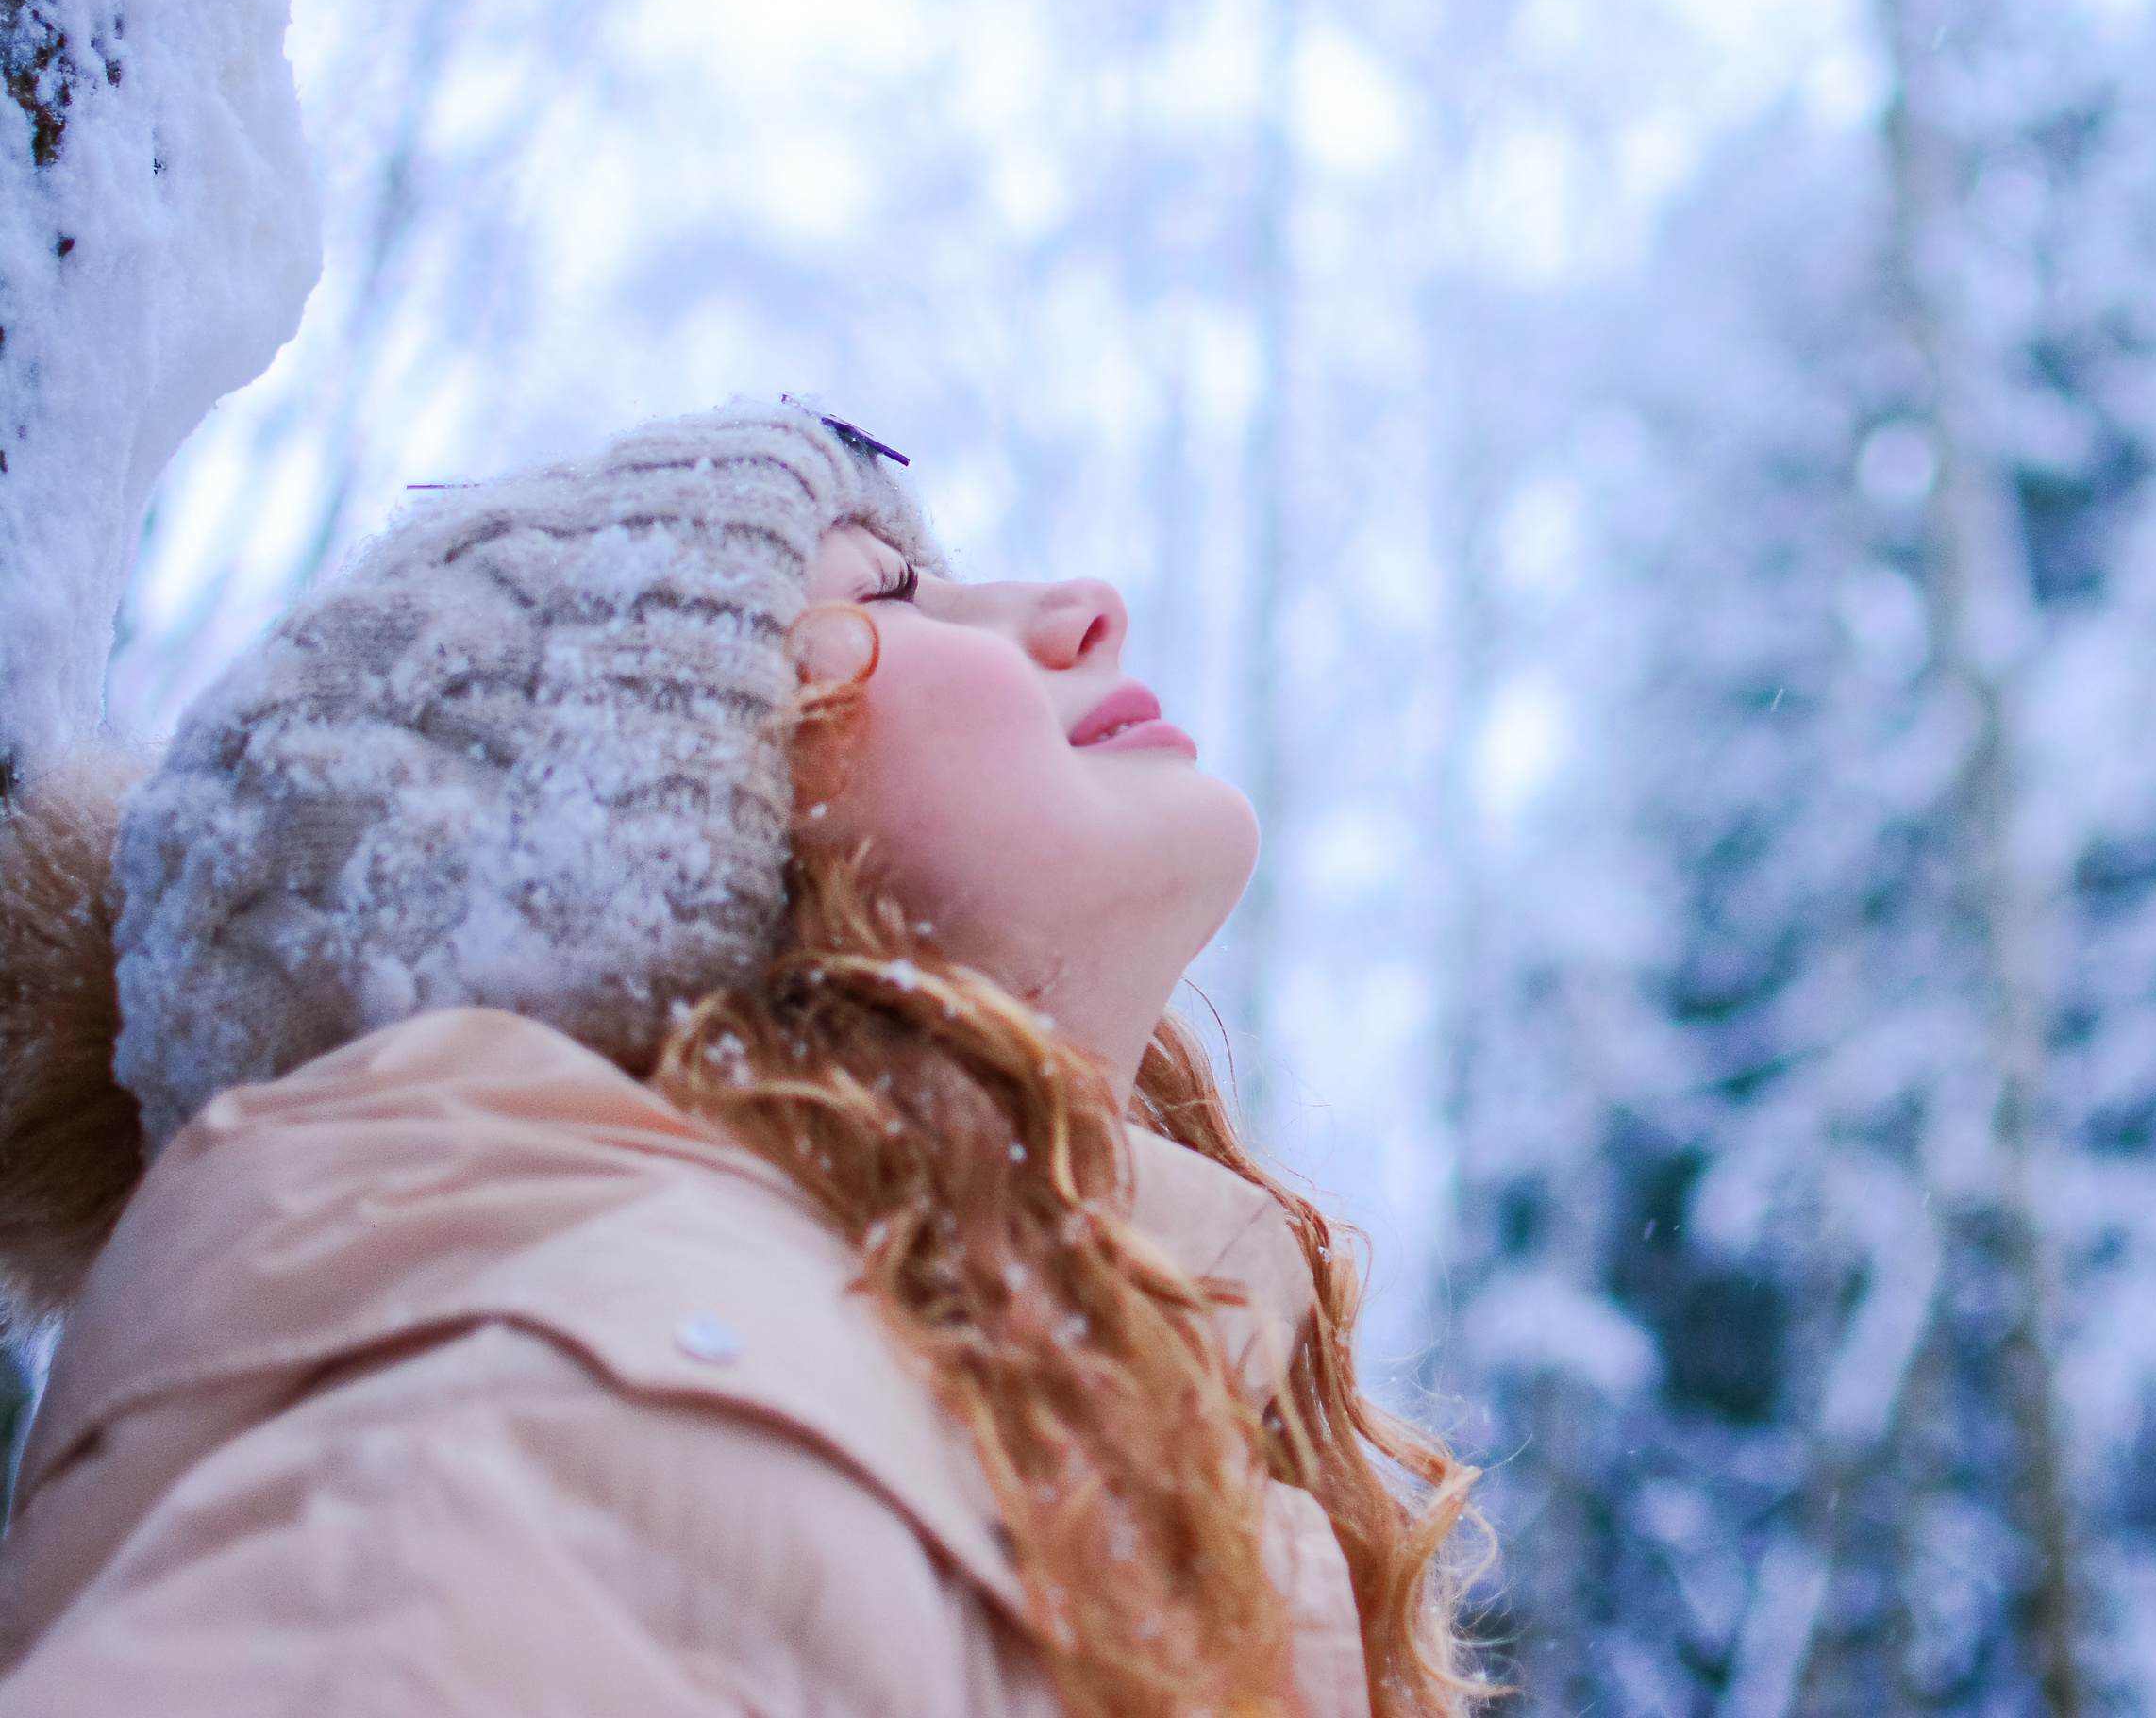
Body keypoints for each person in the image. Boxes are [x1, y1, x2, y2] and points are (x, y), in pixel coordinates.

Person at [0, 401, 1482, 1717]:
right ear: (626, 845)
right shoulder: (600, 1431)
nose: (1086, 609)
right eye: (891, 593)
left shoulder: (955, 1419)